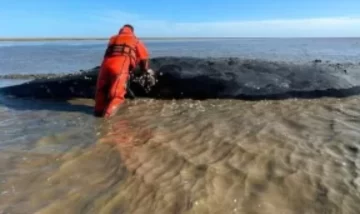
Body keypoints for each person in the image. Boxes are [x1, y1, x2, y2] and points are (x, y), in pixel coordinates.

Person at [94, 24, 155, 118]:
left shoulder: (112, 38)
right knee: (116, 95)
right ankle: (106, 122)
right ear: (132, 31)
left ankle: (97, 114)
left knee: (101, 90)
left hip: (104, 67)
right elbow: (144, 58)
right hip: (120, 66)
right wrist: (144, 70)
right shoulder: (134, 39)